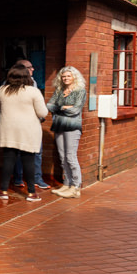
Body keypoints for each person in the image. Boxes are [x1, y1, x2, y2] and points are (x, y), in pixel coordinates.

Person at [0, 63, 48, 202]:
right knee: (28, 161)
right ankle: (31, 193)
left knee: (8, 161)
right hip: (28, 131)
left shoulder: (2, 90)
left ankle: (3, 190)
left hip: (8, 130)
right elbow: (42, 112)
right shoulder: (33, 91)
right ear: (27, 76)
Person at [11, 58, 51, 190]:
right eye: (29, 67)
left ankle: (36, 178)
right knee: (19, 152)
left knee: (37, 152)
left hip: (34, 123)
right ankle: (18, 177)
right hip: (20, 124)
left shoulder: (33, 82)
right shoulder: (12, 86)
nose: (33, 69)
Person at [47, 66, 87, 198]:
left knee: (70, 157)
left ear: (74, 77)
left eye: (68, 76)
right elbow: (49, 106)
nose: (66, 78)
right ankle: (67, 183)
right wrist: (64, 107)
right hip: (59, 126)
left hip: (72, 127)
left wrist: (58, 108)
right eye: (63, 76)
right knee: (63, 157)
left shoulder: (80, 91)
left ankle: (76, 187)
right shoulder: (59, 90)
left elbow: (75, 111)